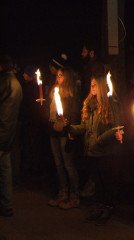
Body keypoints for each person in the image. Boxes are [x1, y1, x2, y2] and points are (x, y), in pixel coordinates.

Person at [68, 74, 123, 225]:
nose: (91, 87)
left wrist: (99, 141)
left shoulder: (111, 103)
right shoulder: (90, 105)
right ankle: (98, 207)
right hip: (92, 151)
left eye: (94, 85)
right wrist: (70, 128)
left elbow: (116, 128)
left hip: (106, 152)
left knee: (107, 182)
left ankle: (108, 208)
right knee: (97, 182)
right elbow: (85, 126)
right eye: (91, 85)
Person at [47, 67, 81, 210]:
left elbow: (73, 114)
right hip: (54, 132)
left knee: (68, 164)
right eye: (58, 75)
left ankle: (74, 195)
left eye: (61, 75)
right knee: (59, 164)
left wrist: (68, 126)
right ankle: (63, 192)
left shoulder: (71, 94)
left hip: (65, 133)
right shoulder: (54, 92)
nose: (58, 78)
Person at [0, 55, 22, 217]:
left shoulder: (5, 82)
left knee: (4, 170)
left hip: (1, 130)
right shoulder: (16, 83)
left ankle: (6, 205)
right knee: (5, 169)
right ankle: (7, 205)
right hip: (8, 132)